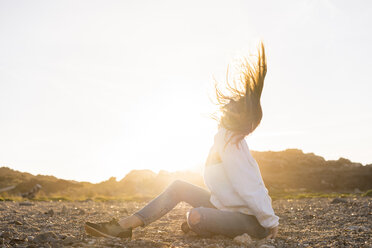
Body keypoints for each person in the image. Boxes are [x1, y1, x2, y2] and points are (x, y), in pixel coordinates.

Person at [84, 42, 279, 240]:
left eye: (234, 106)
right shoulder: (222, 138)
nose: (228, 105)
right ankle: (124, 226)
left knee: (196, 217)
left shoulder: (232, 142)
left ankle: (201, 225)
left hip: (251, 222)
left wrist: (270, 222)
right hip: (226, 209)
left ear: (240, 117)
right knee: (179, 187)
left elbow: (251, 186)